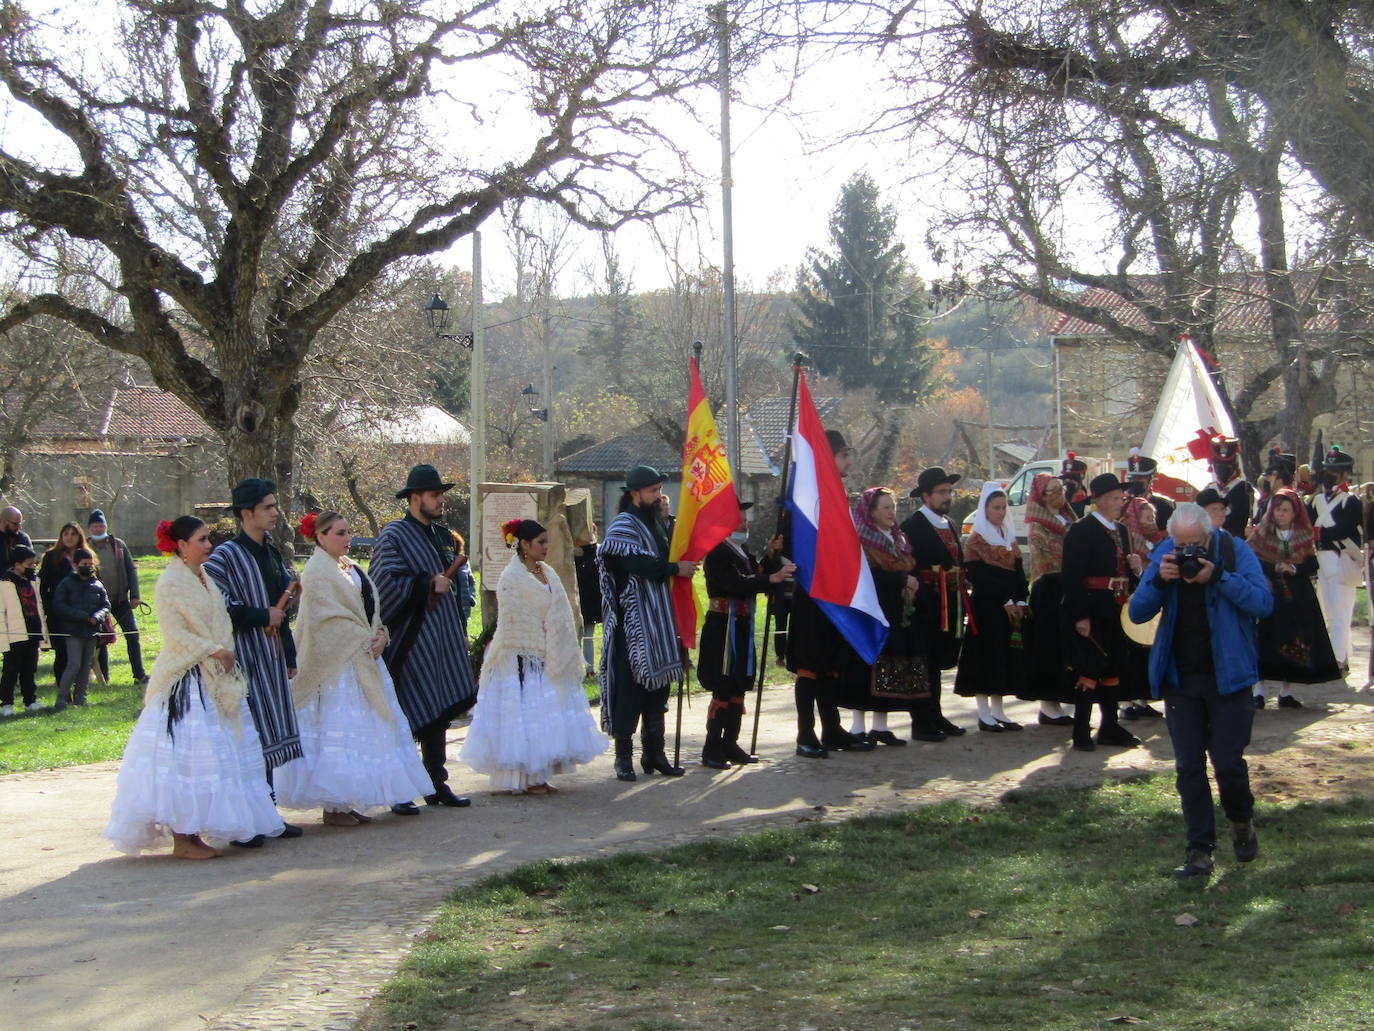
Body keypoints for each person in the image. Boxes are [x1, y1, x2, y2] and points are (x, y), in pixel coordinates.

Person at [103, 516, 283, 859]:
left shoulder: (204, 578)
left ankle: (196, 833)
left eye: (207, 539)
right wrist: (213, 650)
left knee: (219, 755)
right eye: (201, 539)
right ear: (182, 546)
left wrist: (224, 650)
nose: (208, 545)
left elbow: (222, 620)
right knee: (188, 758)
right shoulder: (170, 583)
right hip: (187, 679)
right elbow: (176, 635)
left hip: (216, 677)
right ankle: (182, 838)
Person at [1128, 502, 1272, 878]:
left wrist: (1218, 577)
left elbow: (1263, 602)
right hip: (1182, 678)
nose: (1186, 551)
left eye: (1194, 544)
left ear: (1209, 535)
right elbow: (1138, 611)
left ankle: (1241, 821)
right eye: (1180, 543)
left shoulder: (1234, 550)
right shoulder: (1164, 553)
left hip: (1230, 676)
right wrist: (1160, 578)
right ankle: (1199, 851)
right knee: (1189, 766)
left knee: (1227, 763)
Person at [273, 512, 433, 824]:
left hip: (362, 658)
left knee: (367, 728)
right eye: (340, 533)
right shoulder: (318, 573)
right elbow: (325, 622)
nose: (347, 538)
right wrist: (363, 638)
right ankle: (335, 806)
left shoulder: (349, 567)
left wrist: (381, 635)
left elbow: (367, 612)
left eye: (348, 532)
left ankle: (347, 802)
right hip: (336, 666)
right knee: (341, 731)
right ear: (321, 537)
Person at [460, 518, 606, 793]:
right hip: (521, 656)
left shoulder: (547, 572)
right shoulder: (511, 578)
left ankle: (538, 776)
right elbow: (514, 620)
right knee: (526, 716)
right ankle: (523, 777)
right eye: (541, 542)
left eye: (546, 541)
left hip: (550, 652)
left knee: (543, 716)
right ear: (524, 545)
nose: (546, 547)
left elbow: (560, 611)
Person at [370, 465, 480, 809]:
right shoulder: (395, 535)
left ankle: (436, 784)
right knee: (403, 714)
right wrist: (426, 583)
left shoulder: (444, 537)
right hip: (409, 638)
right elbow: (383, 581)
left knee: (439, 711)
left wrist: (458, 629)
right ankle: (400, 790)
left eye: (441, 494)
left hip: (442, 636)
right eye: (434, 495)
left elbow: (458, 587)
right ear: (415, 498)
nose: (440, 500)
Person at [203, 478, 305, 843]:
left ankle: (268, 812)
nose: (276, 513)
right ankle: (246, 819)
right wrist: (262, 616)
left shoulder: (273, 552)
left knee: (268, 734)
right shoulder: (224, 557)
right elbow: (219, 608)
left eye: (275, 506)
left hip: (272, 655)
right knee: (247, 736)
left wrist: (289, 650)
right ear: (246, 513)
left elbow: (281, 607)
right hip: (242, 658)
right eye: (268, 507)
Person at [597, 465, 698, 780]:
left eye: (659, 490)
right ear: (635, 493)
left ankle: (655, 754)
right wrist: (672, 569)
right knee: (629, 690)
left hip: (659, 616)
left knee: (658, 691)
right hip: (633, 621)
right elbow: (634, 562)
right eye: (652, 491)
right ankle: (623, 758)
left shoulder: (658, 522)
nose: (658, 496)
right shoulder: (623, 525)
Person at [783, 430, 873, 756]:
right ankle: (805, 735)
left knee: (831, 665)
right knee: (810, 665)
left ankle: (832, 729)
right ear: (828, 457)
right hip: (812, 591)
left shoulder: (837, 494)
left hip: (836, 590)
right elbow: (793, 538)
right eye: (843, 455)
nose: (848, 461)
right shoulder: (809, 495)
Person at [698, 502, 792, 768]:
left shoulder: (741, 549)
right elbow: (737, 583)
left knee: (740, 682)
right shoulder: (717, 552)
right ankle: (712, 747)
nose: (745, 524)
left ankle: (730, 743)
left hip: (740, 623)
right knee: (724, 683)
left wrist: (770, 557)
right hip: (723, 625)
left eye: (745, 520)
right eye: (739, 520)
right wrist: (772, 580)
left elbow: (755, 573)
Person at [1060, 473, 1143, 751]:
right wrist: (1080, 615)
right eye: (1115, 498)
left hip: (1116, 608)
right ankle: (1081, 730)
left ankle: (1110, 726)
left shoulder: (1121, 531)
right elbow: (1072, 577)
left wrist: (1136, 570)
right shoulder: (1082, 530)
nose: (1120, 503)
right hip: (1093, 607)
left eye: (1121, 498)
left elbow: (1128, 576)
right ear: (1101, 500)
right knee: (1089, 668)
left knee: (1115, 665)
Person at [844, 487, 925, 745]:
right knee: (866, 666)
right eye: (885, 507)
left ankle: (880, 726)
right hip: (871, 610)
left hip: (897, 610)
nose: (892, 512)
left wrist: (911, 581)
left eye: (893, 506)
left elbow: (913, 565)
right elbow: (869, 577)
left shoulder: (897, 537)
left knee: (890, 666)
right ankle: (857, 727)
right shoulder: (861, 540)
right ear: (870, 511)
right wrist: (901, 579)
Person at [1245, 488, 1339, 708]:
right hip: (1269, 592)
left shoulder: (1303, 535)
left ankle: (1285, 691)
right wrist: (1273, 566)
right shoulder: (1262, 533)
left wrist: (1294, 569)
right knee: (1264, 639)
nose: (1281, 513)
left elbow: (1312, 564)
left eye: (1286, 510)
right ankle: (1258, 691)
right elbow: (1251, 558)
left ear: (1294, 512)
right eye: (1277, 509)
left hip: (1296, 597)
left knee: (1293, 641)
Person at [900, 466, 969, 741]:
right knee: (923, 660)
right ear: (926, 496)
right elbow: (905, 564)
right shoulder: (913, 526)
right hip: (924, 604)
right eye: (941, 492)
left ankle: (936, 714)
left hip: (949, 601)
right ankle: (921, 720)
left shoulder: (950, 523)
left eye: (949, 491)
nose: (947, 497)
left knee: (938, 659)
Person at [954, 482, 1029, 731]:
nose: (1000, 512)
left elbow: (1019, 573)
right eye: (995, 507)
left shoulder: (1008, 537)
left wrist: (1020, 598)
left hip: (1009, 608)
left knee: (1003, 656)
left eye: (1003, 507)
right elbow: (979, 575)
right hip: (987, 606)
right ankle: (984, 712)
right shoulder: (976, 539)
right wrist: (1004, 598)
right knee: (986, 656)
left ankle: (999, 710)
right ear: (985, 509)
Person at [1018, 473, 1077, 726]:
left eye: (1060, 488)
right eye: (1051, 490)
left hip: (1070, 586)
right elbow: (1053, 553)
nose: (1058, 493)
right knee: (1049, 646)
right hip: (1049, 589)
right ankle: (1048, 705)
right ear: (1041, 496)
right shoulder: (1038, 525)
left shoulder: (1069, 518)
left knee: (1068, 646)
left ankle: (1064, 699)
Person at [1311, 445, 1363, 673]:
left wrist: (1318, 533)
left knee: (1341, 613)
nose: (1330, 475)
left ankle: (1339, 659)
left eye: (1335, 471)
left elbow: (1345, 529)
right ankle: (1340, 655)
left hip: (1341, 559)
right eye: (1328, 470)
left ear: (1345, 474)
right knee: (1328, 613)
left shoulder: (1350, 501)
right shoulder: (1315, 500)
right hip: (1321, 559)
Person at [88, 510, 148, 688]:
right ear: (89, 528)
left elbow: (131, 570)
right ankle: (104, 678)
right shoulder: (85, 547)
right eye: (95, 526)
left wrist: (135, 595)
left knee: (132, 634)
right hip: (98, 604)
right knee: (102, 639)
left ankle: (139, 675)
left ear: (106, 527)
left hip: (121, 600)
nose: (98, 529)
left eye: (101, 525)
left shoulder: (118, 545)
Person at [51, 546, 110, 710]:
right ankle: (62, 698)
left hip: (91, 632)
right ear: (76, 564)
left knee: (86, 666)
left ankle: (81, 697)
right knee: (74, 664)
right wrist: (82, 616)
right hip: (73, 631)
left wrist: (98, 617)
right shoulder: (67, 583)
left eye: (90, 563)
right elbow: (59, 605)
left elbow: (106, 606)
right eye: (84, 563)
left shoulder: (97, 584)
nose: (88, 566)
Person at [39, 521, 87, 684]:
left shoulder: (87, 555)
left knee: (80, 653)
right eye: (66, 534)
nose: (69, 537)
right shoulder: (52, 556)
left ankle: (79, 688)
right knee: (62, 652)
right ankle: (62, 689)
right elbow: (42, 586)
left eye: (73, 534)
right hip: (58, 613)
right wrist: (48, 608)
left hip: (81, 612)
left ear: (79, 536)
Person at [1, 545, 44, 715]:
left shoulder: (33, 581)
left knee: (29, 668)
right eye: (29, 564)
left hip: (32, 630)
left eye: (34, 564)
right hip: (14, 633)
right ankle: (6, 703)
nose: (32, 567)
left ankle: (30, 700)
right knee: (11, 670)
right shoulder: (4, 583)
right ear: (17, 564)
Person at [1204, 435, 1254, 539]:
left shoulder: (1243, 488)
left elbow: (1240, 521)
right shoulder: (1209, 488)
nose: (1222, 468)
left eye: (1227, 465)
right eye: (1219, 464)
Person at [574, 526, 602, 677]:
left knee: (590, 635)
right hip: (581, 598)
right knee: (579, 635)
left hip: (595, 598)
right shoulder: (575, 553)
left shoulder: (599, 551)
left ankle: (591, 669)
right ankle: (578, 668)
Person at [451, 530, 479, 635]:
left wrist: (471, 597)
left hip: (464, 605)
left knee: (463, 632)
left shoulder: (464, 562)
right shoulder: (445, 560)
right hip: (452, 606)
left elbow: (472, 581)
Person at [0, 505, 32, 573]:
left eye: (20, 523)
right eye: (15, 524)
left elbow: (30, 563)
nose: (19, 527)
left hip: (18, 581)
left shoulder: (23, 539)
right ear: (4, 521)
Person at [1060, 453, 1090, 517]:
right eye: (1066, 479)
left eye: (1069, 478)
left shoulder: (1080, 494)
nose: (1067, 480)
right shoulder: (1066, 492)